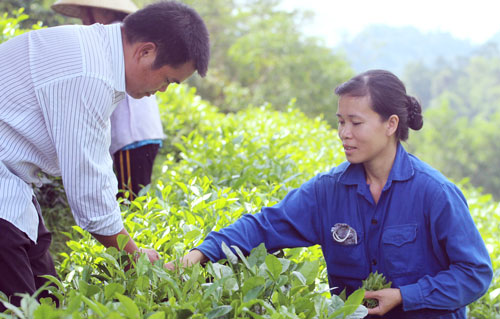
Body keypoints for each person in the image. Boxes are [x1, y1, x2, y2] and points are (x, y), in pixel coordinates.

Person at [167, 70, 493, 318]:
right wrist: (200, 253)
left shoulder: (434, 194)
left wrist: (406, 296)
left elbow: (475, 273)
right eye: (340, 122)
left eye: (355, 123)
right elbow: (265, 225)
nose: (344, 134)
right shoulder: (328, 191)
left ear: (391, 124)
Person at [0, 0, 210, 310]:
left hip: (13, 180)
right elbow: (88, 188)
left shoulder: (97, 54)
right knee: (20, 306)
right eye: (168, 79)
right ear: (146, 52)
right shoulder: (91, 73)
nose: (164, 90)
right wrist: (133, 255)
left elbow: (94, 169)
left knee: (47, 297)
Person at [51, 0, 167, 201]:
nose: (84, 20)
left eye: (87, 13)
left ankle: (129, 233)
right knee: (134, 195)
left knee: (130, 200)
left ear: (102, 12)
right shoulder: (128, 36)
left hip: (131, 135)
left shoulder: (110, 37)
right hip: (142, 133)